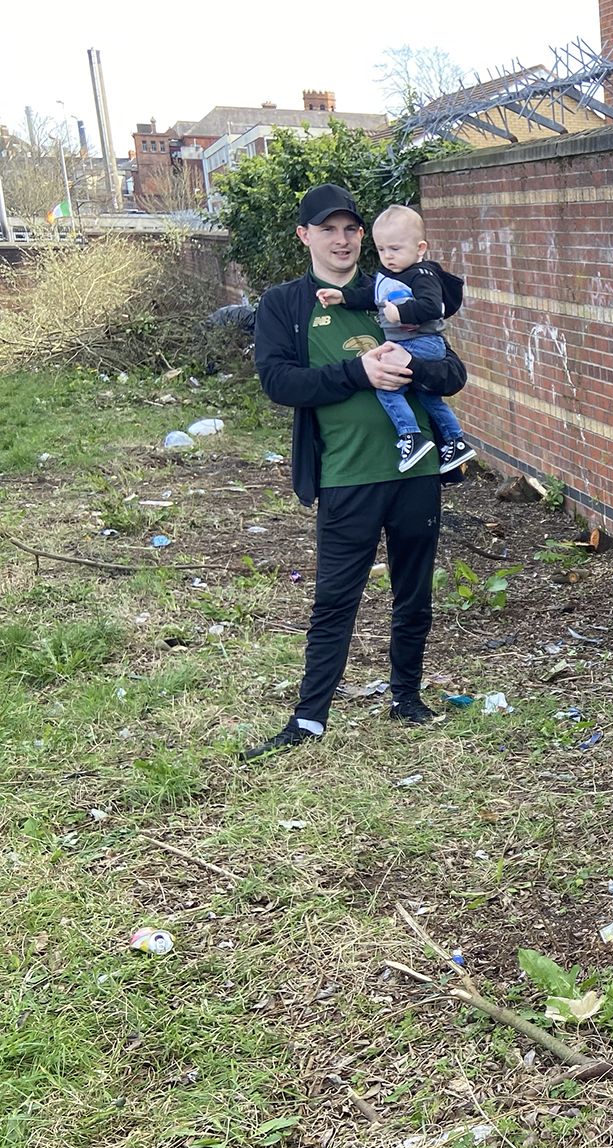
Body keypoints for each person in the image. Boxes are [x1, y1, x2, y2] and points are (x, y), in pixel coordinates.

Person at [240, 183, 469, 760]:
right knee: (336, 599)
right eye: (327, 229)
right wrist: (358, 372)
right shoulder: (287, 305)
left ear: (362, 236)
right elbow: (280, 383)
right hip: (347, 476)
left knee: (413, 593)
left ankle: (407, 697)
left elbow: (454, 374)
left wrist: (412, 367)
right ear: (305, 236)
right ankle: (309, 718)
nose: (340, 240)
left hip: (414, 474)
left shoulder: (396, 288)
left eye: (350, 229)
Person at [316, 204, 476, 474]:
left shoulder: (423, 274)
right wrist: (343, 297)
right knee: (429, 398)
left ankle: (411, 437)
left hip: (421, 342)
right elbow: (372, 297)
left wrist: (399, 312)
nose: (387, 256)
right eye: (382, 250)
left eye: (395, 249)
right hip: (414, 344)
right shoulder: (390, 274)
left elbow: (432, 307)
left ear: (420, 248)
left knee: (387, 389)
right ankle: (456, 441)